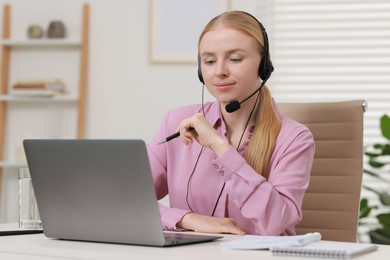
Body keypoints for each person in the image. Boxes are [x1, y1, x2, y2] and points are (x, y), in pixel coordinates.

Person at [147, 10, 315, 236]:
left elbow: (275, 221)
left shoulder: (294, 138)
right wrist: (188, 219)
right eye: (209, 61)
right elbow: (125, 199)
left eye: (235, 59)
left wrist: (220, 147)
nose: (219, 71)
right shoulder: (176, 123)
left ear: (264, 65)